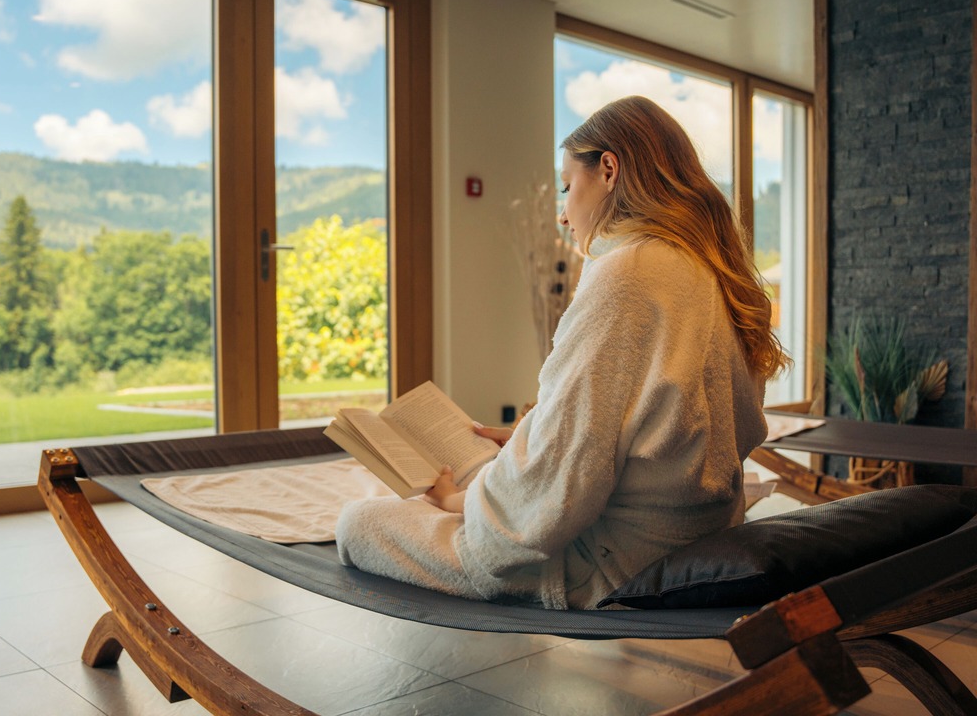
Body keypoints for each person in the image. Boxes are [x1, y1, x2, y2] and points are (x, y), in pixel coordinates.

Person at [335, 96, 788, 609]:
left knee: (359, 521)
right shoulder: (706, 268)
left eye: (569, 187)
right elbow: (670, 426)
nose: (563, 213)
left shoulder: (628, 271)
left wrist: (455, 502)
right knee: (485, 471)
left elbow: (566, 482)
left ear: (609, 170)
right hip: (701, 536)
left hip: (616, 562)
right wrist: (533, 435)